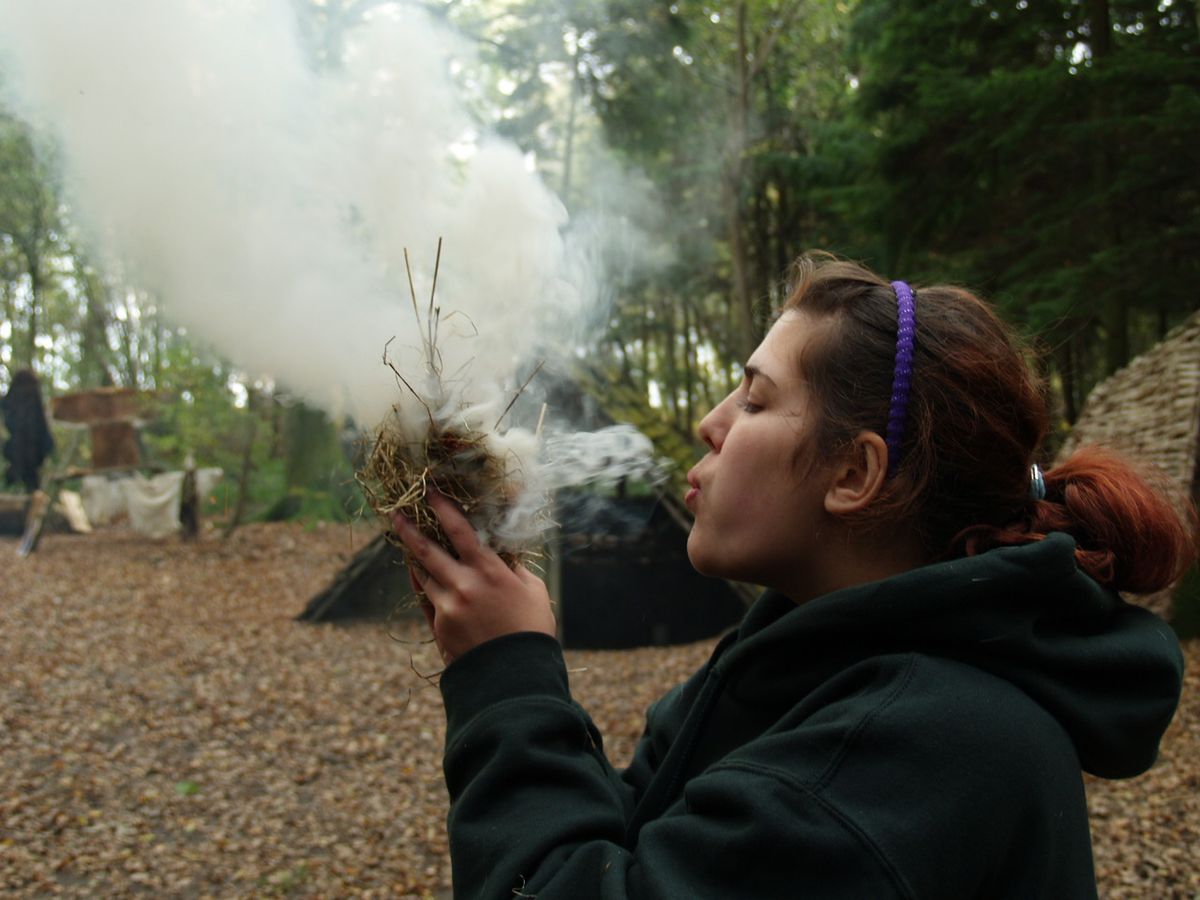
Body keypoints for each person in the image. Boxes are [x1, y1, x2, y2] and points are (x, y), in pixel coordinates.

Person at [393, 253, 1194, 899]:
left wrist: (508, 680)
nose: (709, 423)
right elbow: (635, 839)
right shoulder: (792, 657)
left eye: (753, 399)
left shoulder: (918, 746)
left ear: (853, 473)